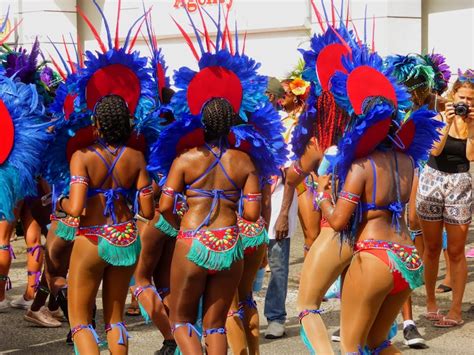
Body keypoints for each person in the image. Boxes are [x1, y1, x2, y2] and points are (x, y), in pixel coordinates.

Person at [317, 44, 440, 352]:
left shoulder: (362, 166)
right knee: (378, 343)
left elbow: (338, 221)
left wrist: (321, 194)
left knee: (351, 346)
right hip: (409, 258)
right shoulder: (409, 162)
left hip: (375, 256)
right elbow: (410, 216)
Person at [58, 94, 154, 353]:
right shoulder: (136, 158)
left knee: (80, 322)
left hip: (92, 238)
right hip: (127, 238)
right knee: (115, 319)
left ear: (97, 124)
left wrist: (61, 204)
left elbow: (76, 209)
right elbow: (147, 209)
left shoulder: (82, 156)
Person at [416, 69, 474, 327]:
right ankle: (430, 302)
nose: (466, 103)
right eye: (462, 97)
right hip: (433, 180)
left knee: (456, 250)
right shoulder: (439, 117)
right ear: (453, 96)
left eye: (471, 99)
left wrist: (470, 127)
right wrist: (448, 122)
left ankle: (456, 310)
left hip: (460, 184)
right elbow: (434, 149)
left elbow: (471, 157)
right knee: (431, 248)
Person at [264, 77, 306, 339]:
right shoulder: (245, 122)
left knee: (277, 261)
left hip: (279, 200)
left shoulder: (285, 125)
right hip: (251, 203)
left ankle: (276, 316)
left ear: (271, 97)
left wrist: (282, 213)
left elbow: (290, 175)